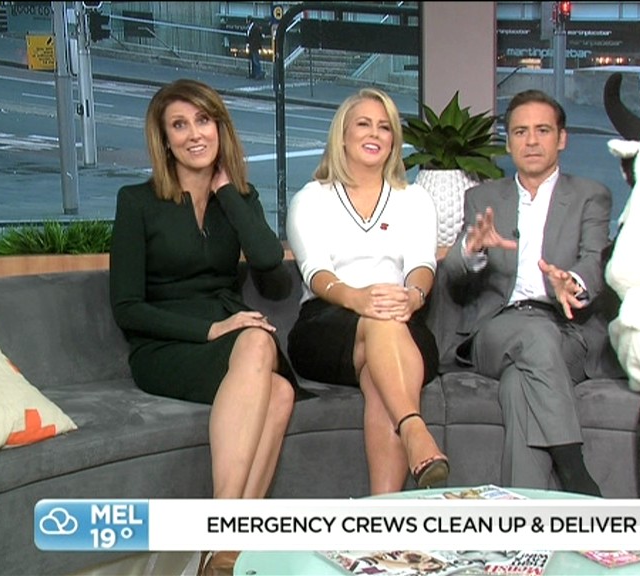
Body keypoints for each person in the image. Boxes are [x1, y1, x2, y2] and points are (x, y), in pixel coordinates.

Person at [109, 79, 297, 576]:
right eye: (180, 125)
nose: (194, 134)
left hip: (228, 340)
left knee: (280, 392)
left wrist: (228, 192)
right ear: (165, 140)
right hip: (167, 346)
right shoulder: (137, 202)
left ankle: (222, 556)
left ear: (219, 127)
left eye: (203, 120)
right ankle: (225, 531)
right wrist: (211, 330)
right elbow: (127, 307)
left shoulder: (238, 197)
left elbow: (268, 259)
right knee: (257, 342)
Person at [438, 89, 613, 496]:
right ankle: (576, 475)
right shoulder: (483, 198)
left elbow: (595, 260)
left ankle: (523, 516)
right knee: (533, 336)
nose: (531, 141)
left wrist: (573, 282)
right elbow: (454, 276)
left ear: (562, 138)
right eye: (520, 132)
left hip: (567, 331)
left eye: (542, 130)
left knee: (520, 385)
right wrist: (472, 249)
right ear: (509, 142)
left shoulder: (590, 195)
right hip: (497, 330)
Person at [286, 88, 447, 495]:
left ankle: (382, 513)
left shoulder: (414, 199)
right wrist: (359, 298)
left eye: (385, 127)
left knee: (381, 369)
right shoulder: (311, 199)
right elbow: (315, 272)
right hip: (326, 323)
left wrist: (413, 297)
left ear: (393, 140)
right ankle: (413, 428)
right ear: (342, 136)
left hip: (401, 319)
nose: (375, 133)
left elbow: (422, 265)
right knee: (380, 322)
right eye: (363, 124)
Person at [245, 16, 265, 80]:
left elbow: (256, 38)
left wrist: (251, 44)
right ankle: (254, 73)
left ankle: (258, 74)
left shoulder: (255, 28)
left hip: (254, 46)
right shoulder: (249, 27)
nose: (246, 22)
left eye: (247, 20)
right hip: (251, 46)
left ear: (249, 21)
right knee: (252, 61)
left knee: (256, 60)